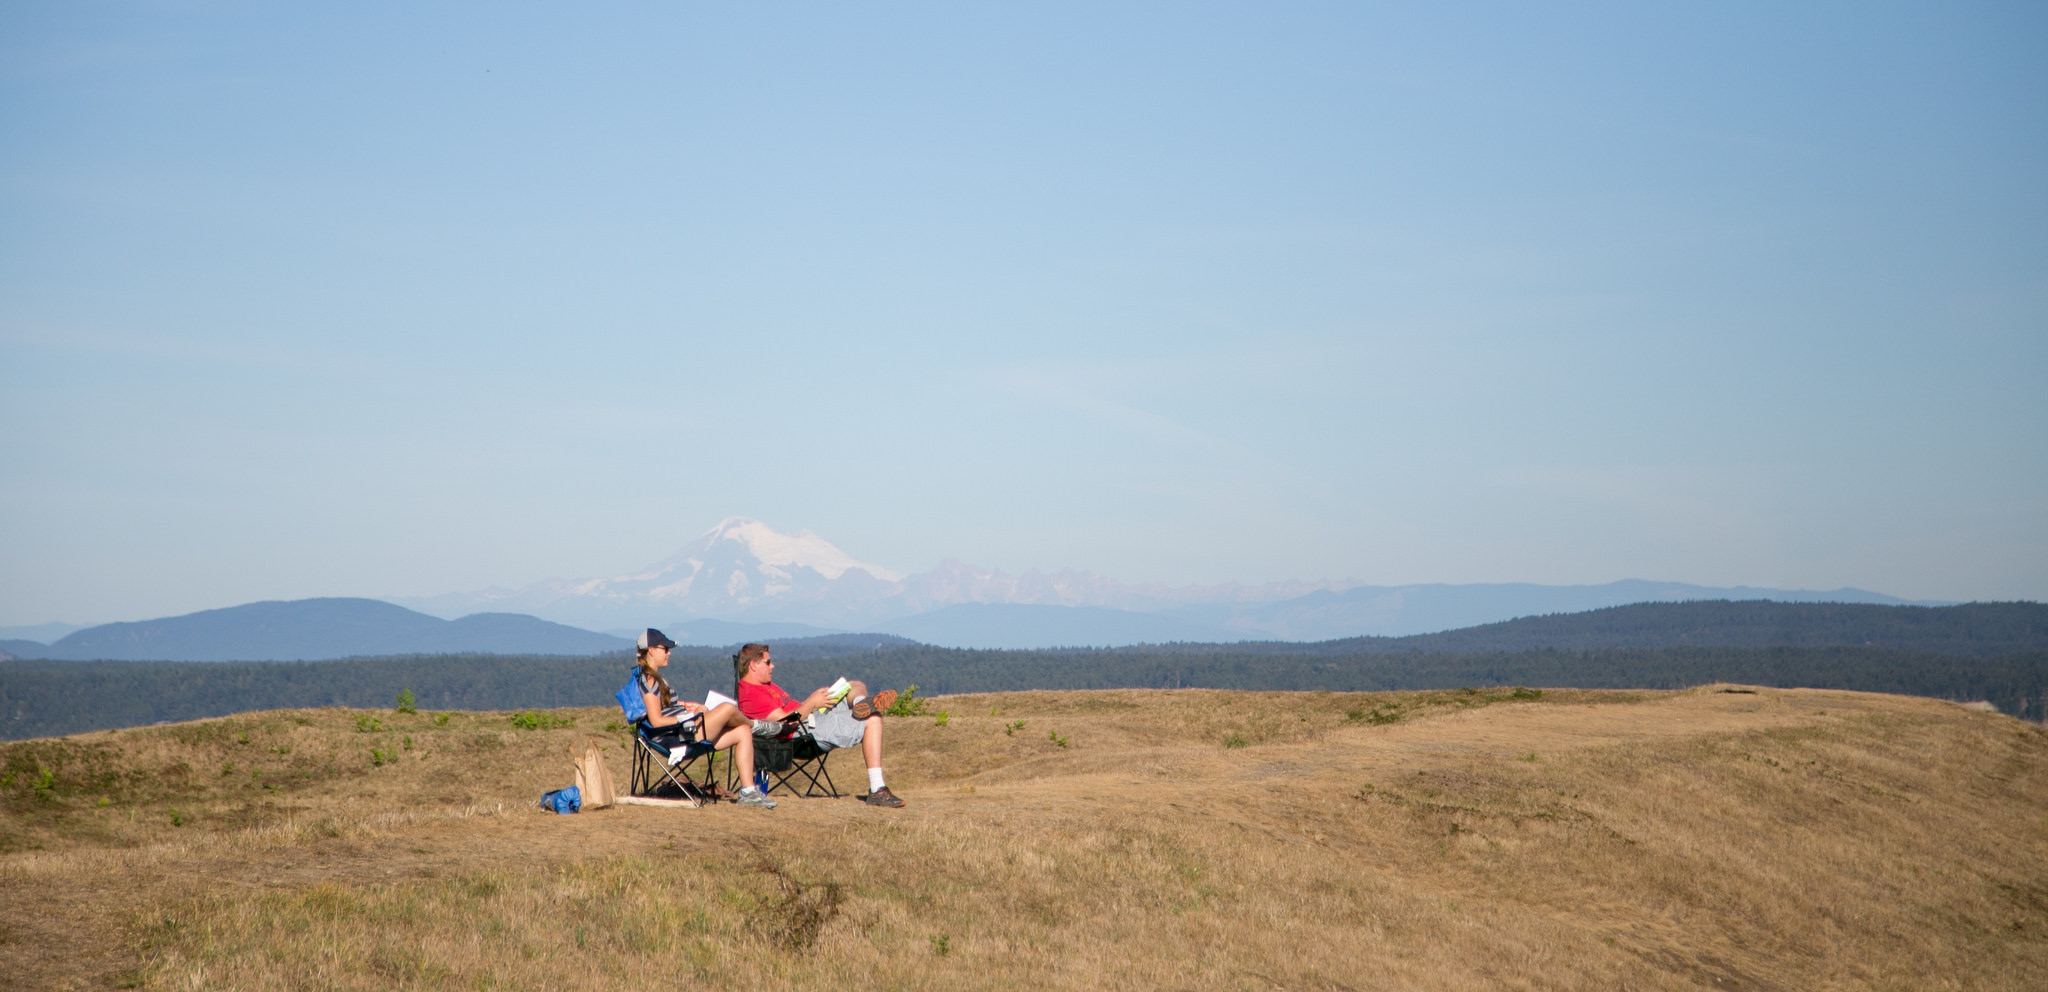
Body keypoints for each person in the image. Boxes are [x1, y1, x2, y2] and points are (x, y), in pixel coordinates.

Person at [732, 642, 905, 808]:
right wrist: (812, 701)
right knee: (873, 719)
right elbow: (786, 723)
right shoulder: (751, 693)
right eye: (768, 662)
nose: (773, 666)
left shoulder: (764, 685)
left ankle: (861, 704)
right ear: (753, 665)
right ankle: (877, 790)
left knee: (853, 685)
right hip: (804, 734)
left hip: (812, 718)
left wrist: (816, 700)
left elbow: (795, 710)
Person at [634, 628, 777, 809]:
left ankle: (748, 792)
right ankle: (757, 725)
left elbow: (665, 706)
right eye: (665, 649)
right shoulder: (649, 680)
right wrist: (687, 717)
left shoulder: (653, 678)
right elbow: (656, 721)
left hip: (686, 730)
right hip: (677, 737)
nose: (669, 654)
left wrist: (687, 707)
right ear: (652, 650)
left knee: (742, 731)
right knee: (727, 708)